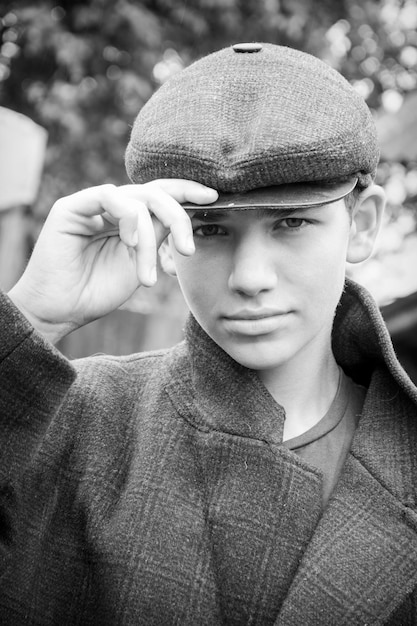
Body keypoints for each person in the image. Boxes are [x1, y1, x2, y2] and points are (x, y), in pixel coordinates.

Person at [1, 42, 416, 626]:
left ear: (363, 226)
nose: (250, 279)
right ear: (164, 238)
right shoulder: (68, 420)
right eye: (211, 229)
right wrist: (34, 318)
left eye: (292, 222)